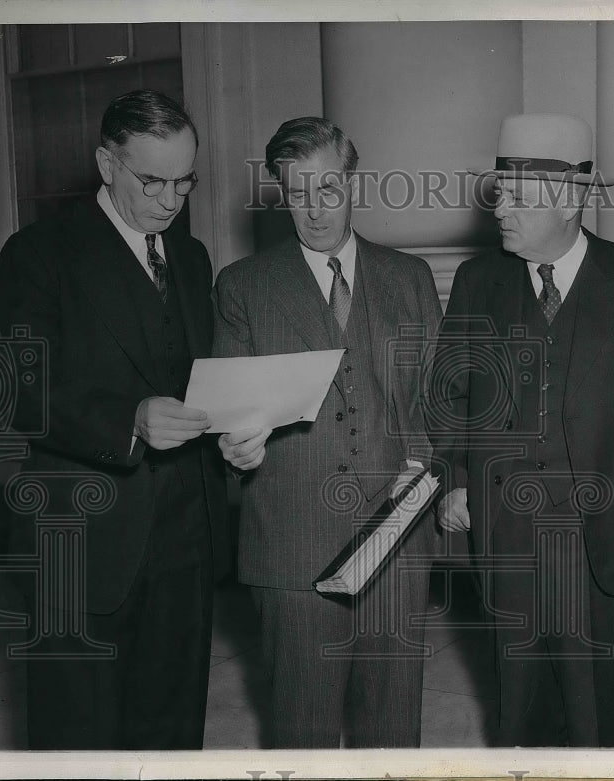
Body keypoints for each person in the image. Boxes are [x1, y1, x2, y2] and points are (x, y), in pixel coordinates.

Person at [429, 113, 614, 747]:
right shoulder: (479, 281)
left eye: (519, 199)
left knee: (596, 710)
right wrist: (457, 480)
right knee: (517, 705)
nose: (501, 212)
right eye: (500, 194)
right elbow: (451, 393)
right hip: (508, 529)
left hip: (605, 531)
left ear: (573, 198)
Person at [0, 89, 230, 749]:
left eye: (185, 181)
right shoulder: (39, 253)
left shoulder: (191, 256)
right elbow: (13, 392)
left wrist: (239, 421)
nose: (171, 200)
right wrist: (129, 419)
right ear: (105, 163)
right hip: (83, 542)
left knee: (175, 734)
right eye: (152, 180)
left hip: (185, 538)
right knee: (80, 740)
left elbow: (196, 377)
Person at [212, 116, 443, 748]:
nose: (314, 210)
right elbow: (231, 416)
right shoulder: (244, 288)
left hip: (396, 543)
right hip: (293, 545)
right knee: (303, 732)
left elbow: (435, 406)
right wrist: (237, 445)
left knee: (393, 731)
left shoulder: (410, 278)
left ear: (352, 183)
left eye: (329, 190)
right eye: (297, 192)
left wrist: (424, 466)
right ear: (281, 193)